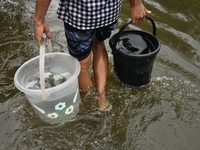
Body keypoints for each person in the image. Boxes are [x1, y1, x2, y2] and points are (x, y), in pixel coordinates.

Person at [34, 0, 151, 111]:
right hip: (109, 11)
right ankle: (102, 97)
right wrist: (135, 3)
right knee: (99, 43)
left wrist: (38, 21)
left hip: (79, 13)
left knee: (82, 64)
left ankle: (90, 106)